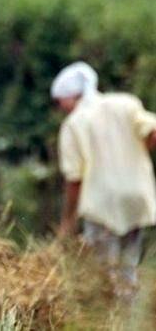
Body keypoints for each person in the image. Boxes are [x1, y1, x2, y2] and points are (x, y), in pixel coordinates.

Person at [52, 61, 156, 297]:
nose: (60, 108)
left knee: (102, 275)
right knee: (128, 268)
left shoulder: (74, 124)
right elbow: (152, 131)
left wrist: (67, 221)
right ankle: (127, 310)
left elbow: (74, 179)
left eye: (59, 102)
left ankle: (107, 313)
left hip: (101, 205)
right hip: (136, 199)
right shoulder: (125, 103)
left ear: (71, 96)